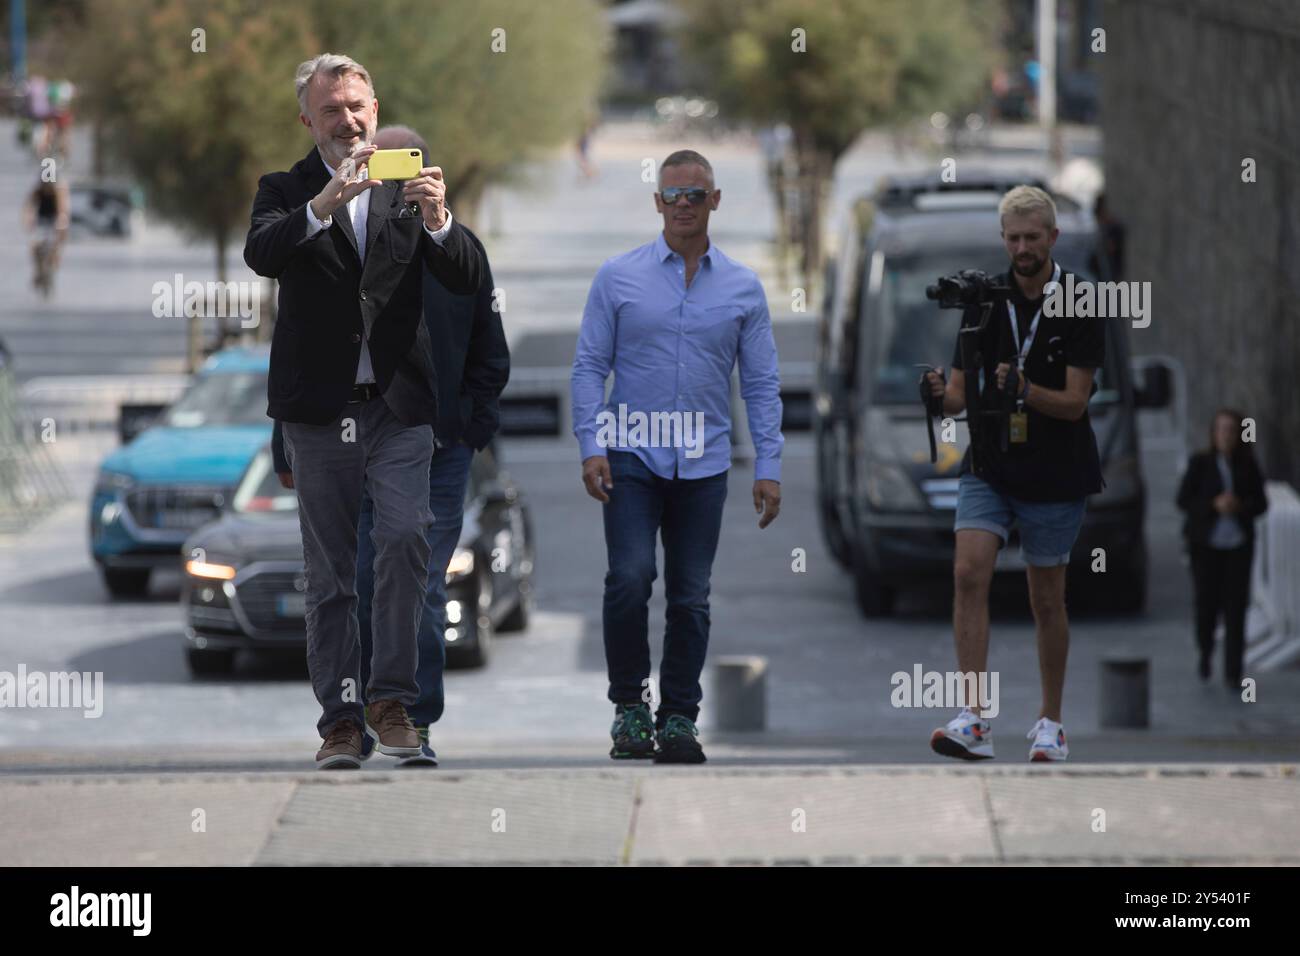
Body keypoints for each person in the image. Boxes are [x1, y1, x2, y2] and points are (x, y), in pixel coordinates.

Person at [244, 53, 483, 770]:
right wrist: (320, 209)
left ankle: (391, 703)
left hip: (399, 407)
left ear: (374, 110)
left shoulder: (405, 186)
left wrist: (441, 222)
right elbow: (262, 252)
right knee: (329, 575)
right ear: (307, 120)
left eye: (357, 108)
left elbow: (465, 275)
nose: (347, 122)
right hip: (318, 414)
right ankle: (342, 722)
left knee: (408, 539)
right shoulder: (284, 190)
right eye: (331, 111)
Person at [571, 149, 784, 764]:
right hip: (631, 454)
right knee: (630, 578)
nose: (683, 205)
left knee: (691, 594)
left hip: (704, 463)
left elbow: (762, 384)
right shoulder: (619, 277)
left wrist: (767, 466)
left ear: (715, 200)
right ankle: (630, 708)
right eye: (672, 195)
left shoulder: (743, 286)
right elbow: (589, 366)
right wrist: (591, 445)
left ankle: (680, 718)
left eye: (695, 194)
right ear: (656, 202)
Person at [923, 185, 1104, 762]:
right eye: (1013, 238)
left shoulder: (1080, 299)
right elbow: (956, 398)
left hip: (1056, 469)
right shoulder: (984, 299)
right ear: (1003, 240)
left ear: (1052, 238)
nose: (1022, 248)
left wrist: (1024, 388)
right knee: (968, 571)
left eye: (1033, 237)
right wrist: (935, 395)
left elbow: (1076, 402)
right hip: (991, 464)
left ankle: (1051, 721)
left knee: (1046, 598)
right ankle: (973, 718)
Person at [1175, 409, 1268, 687]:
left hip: (1238, 546)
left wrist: (1239, 506)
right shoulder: (1200, 463)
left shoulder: (1248, 465)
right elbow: (1183, 500)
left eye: (1230, 430)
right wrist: (1213, 506)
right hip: (1206, 546)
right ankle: (1205, 651)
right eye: (1221, 429)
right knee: (1206, 604)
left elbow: (1261, 503)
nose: (1225, 435)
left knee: (1236, 608)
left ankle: (1233, 670)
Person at [24, 179, 69, 297]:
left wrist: (62, 222)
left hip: (53, 221)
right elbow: (29, 206)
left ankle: (52, 267)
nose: (47, 187)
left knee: (56, 245)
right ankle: (37, 270)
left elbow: (62, 209)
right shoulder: (37, 191)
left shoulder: (57, 191)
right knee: (35, 246)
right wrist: (29, 219)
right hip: (41, 221)